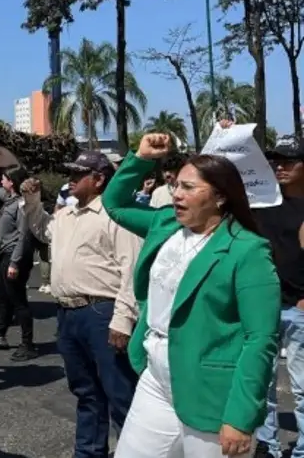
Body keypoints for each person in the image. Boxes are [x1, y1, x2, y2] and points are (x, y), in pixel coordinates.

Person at [103, 133, 280, 458]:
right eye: (176, 185)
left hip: (210, 390)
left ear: (220, 196)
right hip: (155, 377)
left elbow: (260, 338)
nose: (176, 194)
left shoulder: (247, 250)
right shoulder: (165, 224)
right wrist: (140, 159)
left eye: (188, 187)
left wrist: (240, 416)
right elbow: (114, 204)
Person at [49, 151, 143, 458]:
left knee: (120, 393)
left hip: (102, 312)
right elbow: (41, 234)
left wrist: (123, 319)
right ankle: (88, 452)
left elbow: (131, 270)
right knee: (86, 392)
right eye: (70, 173)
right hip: (68, 313)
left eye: (78, 173)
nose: (70, 179)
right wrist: (32, 203)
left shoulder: (117, 215)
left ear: (99, 179)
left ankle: (135, 452)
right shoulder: (65, 215)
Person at [254, 136, 304, 458]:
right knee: (266, 383)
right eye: (276, 161)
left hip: (299, 311)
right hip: (267, 307)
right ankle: (269, 445)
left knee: (300, 388)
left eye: (288, 161)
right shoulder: (264, 202)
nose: (280, 167)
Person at [0, 165, 37, 360]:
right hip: (5, 255)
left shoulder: (22, 204)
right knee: (5, 296)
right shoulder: (10, 199)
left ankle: (27, 343)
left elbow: (23, 235)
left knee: (18, 300)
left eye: (4, 178)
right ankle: (0, 333)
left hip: (14, 256)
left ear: (12, 182)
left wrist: (15, 262)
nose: (1, 181)